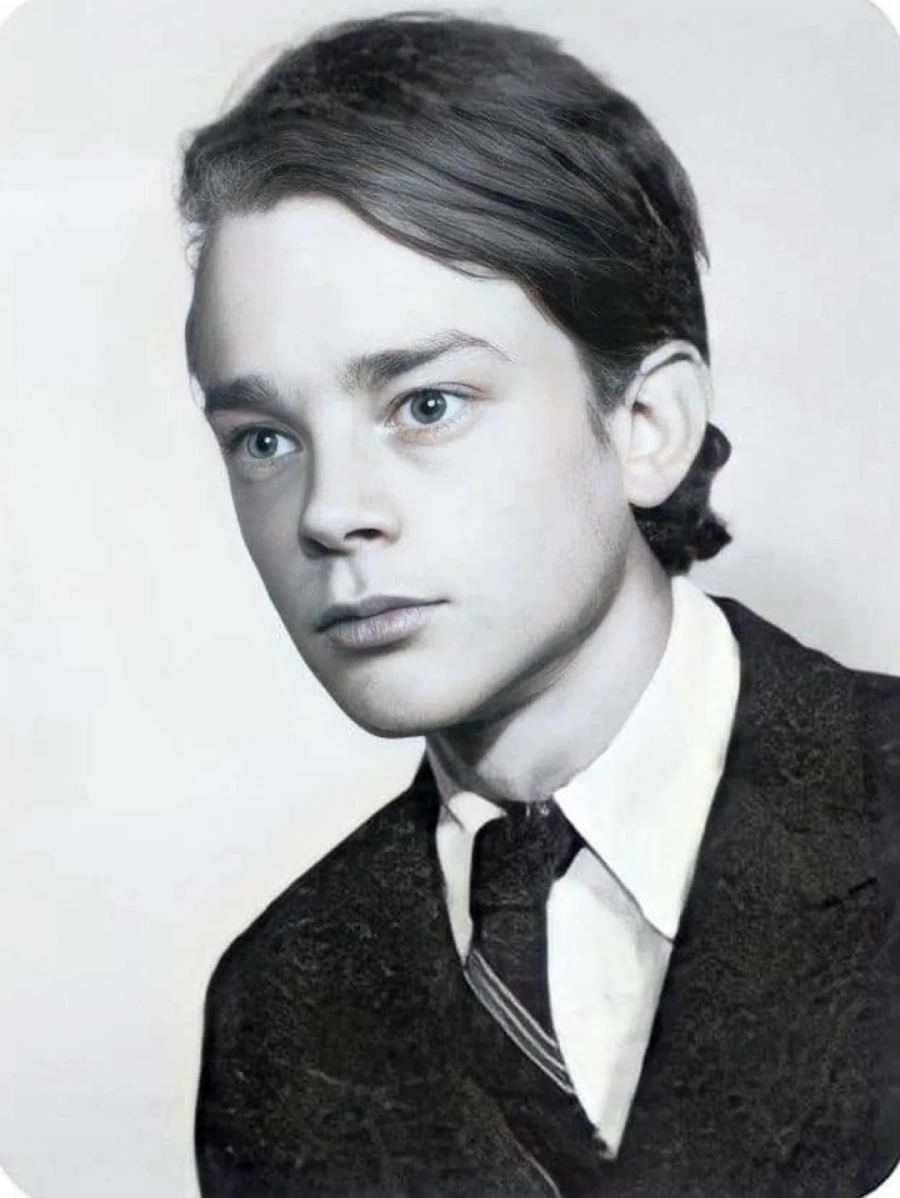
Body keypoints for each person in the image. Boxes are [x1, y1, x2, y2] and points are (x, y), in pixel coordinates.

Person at [177, 11, 900, 1197]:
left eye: (426, 405)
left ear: (647, 428)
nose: (328, 511)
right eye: (264, 437)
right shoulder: (276, 1004)